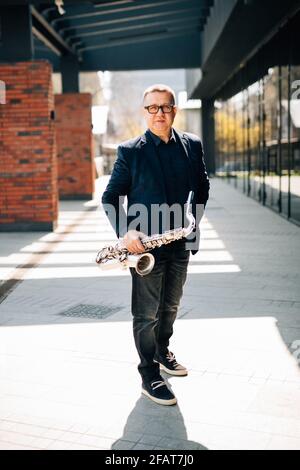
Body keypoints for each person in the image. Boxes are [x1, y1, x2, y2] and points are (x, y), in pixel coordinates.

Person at [102, 84, 210, 406]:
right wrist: (127, 232)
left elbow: (202, 188)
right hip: (145, 249)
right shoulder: (130, 151)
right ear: (145, 111)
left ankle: (162, 351)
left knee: (172, 305)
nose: (159, 113)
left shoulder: (191, 146)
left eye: (165, 107)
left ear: (174, 110)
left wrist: (194, 221)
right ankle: (148, 372)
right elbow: (110, 198)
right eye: (153, 108)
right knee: (146, 313)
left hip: (179, 242)